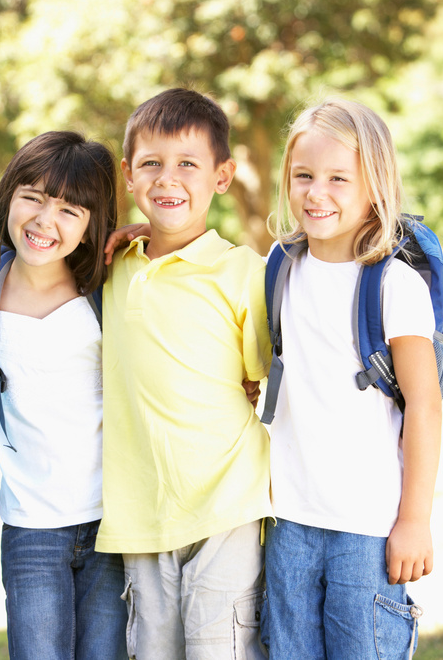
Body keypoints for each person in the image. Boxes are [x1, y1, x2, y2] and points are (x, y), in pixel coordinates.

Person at [259, 97, 442, 658]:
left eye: (339, 178)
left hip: (367, 528)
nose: (317, 193)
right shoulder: (280, 265)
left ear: (374, 186)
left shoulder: (393, 284)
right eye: (304, 176)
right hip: (288, 521)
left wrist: (414, 519)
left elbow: (425, 407)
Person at [96, 88, 272, 659]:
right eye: (151, 164)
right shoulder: (110, 265)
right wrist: (112, 238)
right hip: (141, 515)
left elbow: (266, 379)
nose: (167, 179)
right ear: (128, 174)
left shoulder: (244, 271)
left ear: (222, 176)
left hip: (228, 505)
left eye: (187, 165)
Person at [0, 131, 126, 659]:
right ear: (9, 197)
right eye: (34, 197)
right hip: (30, 528)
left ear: (93, 226)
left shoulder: (107, 286)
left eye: (70, 210)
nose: (46, 221)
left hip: (110, 520)